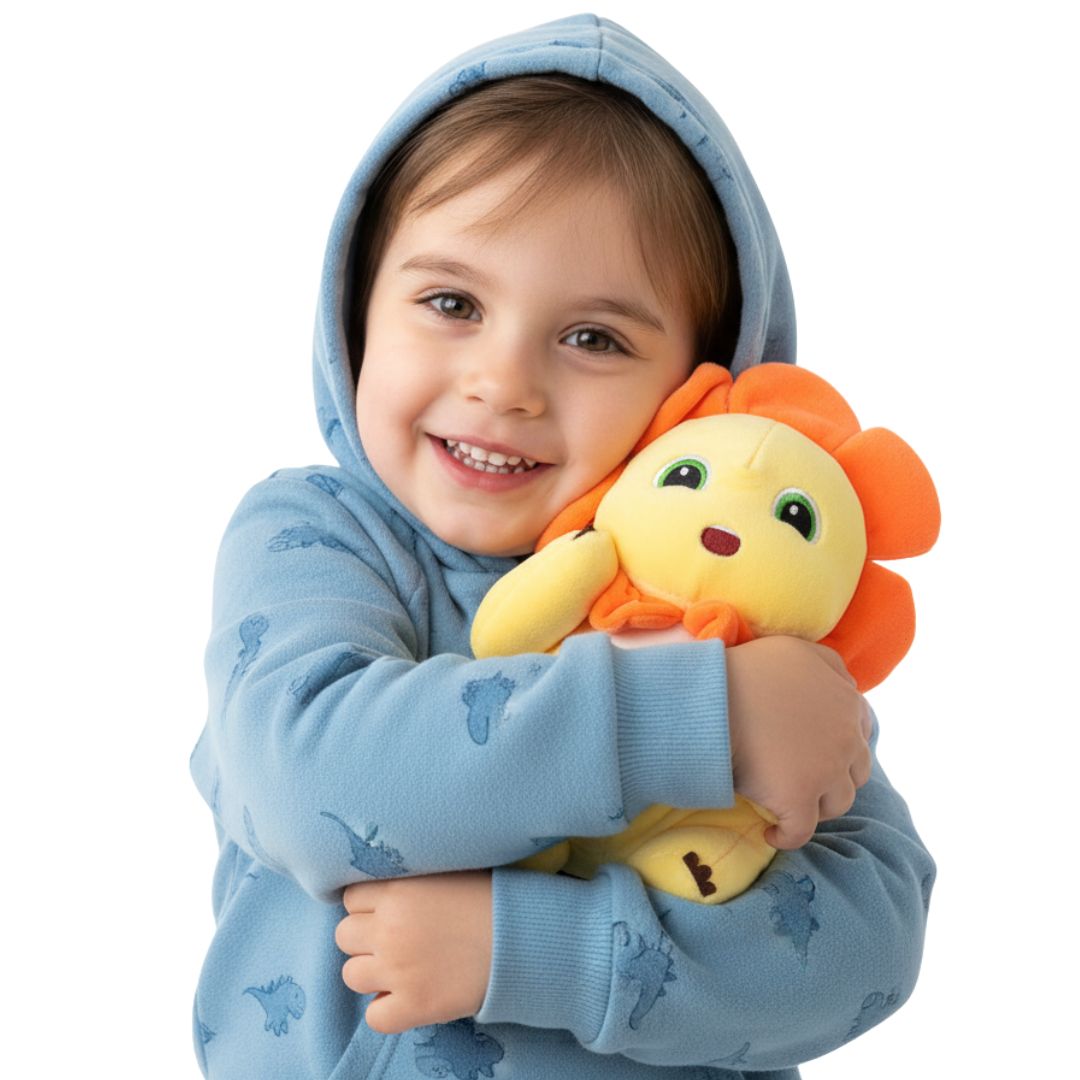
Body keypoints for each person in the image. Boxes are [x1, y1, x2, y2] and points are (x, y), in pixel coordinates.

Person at [189, 14, 934, 1079]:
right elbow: (310, 781)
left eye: (593, 338)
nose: (504, 383)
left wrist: (534, 952)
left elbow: (867, 945)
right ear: (356, 314)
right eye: (452, 302)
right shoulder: (317, 537)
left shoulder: (739, 625)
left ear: (702, 397)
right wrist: (698, 720)